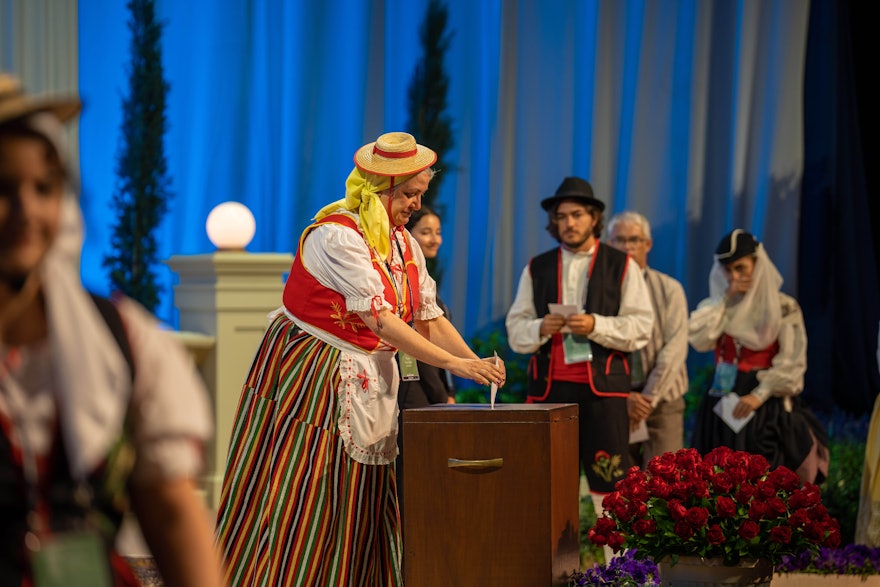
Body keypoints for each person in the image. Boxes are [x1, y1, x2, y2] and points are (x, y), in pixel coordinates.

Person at [215, 132, 505, 586]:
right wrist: (456, 367)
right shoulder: (336, 236)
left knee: (364, 487)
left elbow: (426, 315)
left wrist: (476, 360)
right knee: (311, 483)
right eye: (409, 194)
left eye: (420, 195)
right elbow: (381, 320)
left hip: (370, 371)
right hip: (313, 374)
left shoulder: (404, 245)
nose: (416, 204)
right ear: (381, 189)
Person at [0, 74, 223, 585]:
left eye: (43, 188)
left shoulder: (121, 337)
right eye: (2, 188)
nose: (26, 212)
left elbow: (169, 511)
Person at [505, 176, 653, 519]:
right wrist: (541, 326)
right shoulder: (537, 267)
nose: (569, 223)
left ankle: (619, 568)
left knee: (612, 486)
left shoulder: (621, 264)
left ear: (593, 219)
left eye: (576, 215)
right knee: (548, 483)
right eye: (561, 217)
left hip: (603, 394)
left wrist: (596, 325)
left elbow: (641, 326)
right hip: (549, 392)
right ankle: (551, 568)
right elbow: (516, 329)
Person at [688, 229, 828, 484]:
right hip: (722, 397)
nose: (734, 277)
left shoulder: (783, 306)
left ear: (757, 263)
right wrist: (725, 298)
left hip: (763, 403)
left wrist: (759, 395)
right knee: (716, 478)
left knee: (760, 478)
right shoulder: (719, 306)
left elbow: (792, 360)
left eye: (741, 268)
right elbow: (699, 339)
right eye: (728, 271)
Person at [607, 211, 688, 468]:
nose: (627, 247)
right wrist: (624, 396)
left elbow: (675, 348)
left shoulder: (669, 288)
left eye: (634, 240)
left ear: (648, 244)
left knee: (665, 481)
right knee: (621, 482)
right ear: (609, 244)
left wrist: (647, 398)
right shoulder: (600, 291)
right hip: (617, 398)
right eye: (619, 240)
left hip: (663, 399)